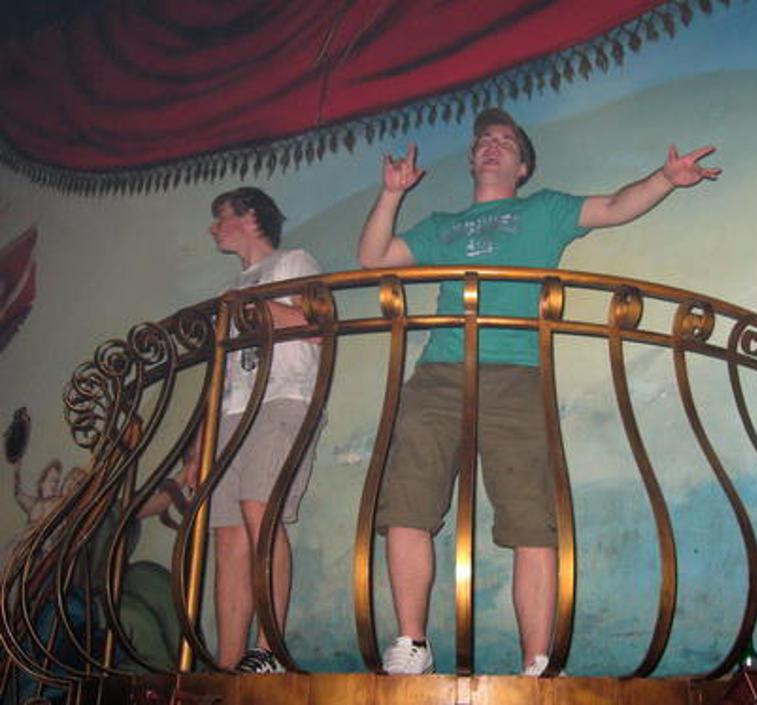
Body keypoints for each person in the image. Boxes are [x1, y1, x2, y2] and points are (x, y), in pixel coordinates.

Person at [358, 108, 720, 676]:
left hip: (516, 372)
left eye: (506, 141)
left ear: (523, 166)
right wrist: (391, 193)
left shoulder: (543, 209)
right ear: (473, 158)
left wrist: (665, 179)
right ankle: (412, 644)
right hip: (440, 372)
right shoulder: (441, 224)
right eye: (484, 140)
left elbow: (615, 206)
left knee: (531, 515)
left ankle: (537, 661)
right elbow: (374, 258)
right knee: (406, 501)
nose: (492, 145)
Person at [184, 187, 324, 673]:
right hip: (231, 413)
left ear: (249, 217)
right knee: (227, 537)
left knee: (260, 513)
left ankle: (269, 651)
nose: (212, 227)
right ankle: (228, 666)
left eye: (219, 216)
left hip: (283, 399)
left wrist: (250, 308)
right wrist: (199, 443)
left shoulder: (293, 262)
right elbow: (221, 373)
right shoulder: (232, 288)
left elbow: (316, 326)